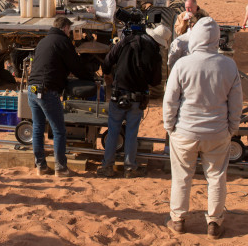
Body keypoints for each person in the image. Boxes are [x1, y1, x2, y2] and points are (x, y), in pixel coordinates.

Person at [163, 17, 242, 239]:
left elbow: (170, 100)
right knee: (216, 177)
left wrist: (170, 127)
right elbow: (236, 102)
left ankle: (178, 218)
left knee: (181, 176)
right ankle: (214, 222)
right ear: (217, 39)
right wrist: (231, 128)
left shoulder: (182, 64)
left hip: (185, 131)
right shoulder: (228, 65)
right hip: (217, 132)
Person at [27, 16, 95, 176]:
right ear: (65, 28)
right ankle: (60, 168)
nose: (70, 33)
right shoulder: (63, 42)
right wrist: (89, 77)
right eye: (70, 30)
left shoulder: (43, 41)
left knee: (37, 128)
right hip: (47, 90)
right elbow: (76, 65)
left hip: (32, 88)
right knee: (59, 130)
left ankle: (41, 166)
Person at [98, 15, 162, 177]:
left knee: (113, 131)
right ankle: (129, 167)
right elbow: (156, 81)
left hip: (118, 94)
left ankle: (107, 167)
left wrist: (108, 75)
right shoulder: (154, 52)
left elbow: (107, 61)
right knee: (132, 133)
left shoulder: (124, 42)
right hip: (138, 98)